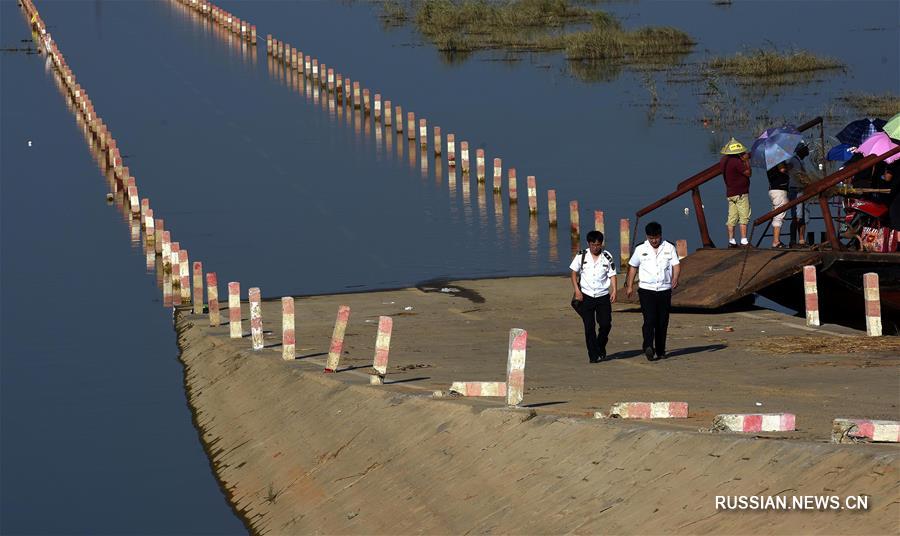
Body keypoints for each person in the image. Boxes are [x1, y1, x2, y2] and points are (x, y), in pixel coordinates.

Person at [625, 222, 680, 361]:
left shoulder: (669, 247)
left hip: (664, 289)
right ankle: (648, 346)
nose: (654, 241)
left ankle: (661, 350)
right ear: (647, 236)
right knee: (649, 319)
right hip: (646, 290)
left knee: (662, 321)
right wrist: (630, 285)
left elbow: (676, 265)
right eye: (651, 238)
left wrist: (675, 278)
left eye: (656, 237)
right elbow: (632, 267)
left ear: (660, 235)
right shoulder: (640, 249)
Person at [570, 230, 617, 363]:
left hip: (603, 296)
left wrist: (614, 291)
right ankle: (593, 355)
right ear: (588, 243)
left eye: (598, 245)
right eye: (593, 244)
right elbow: (573, 273)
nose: (595, 247)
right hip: (586, 296)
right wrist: (577, 291)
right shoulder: (581, 255)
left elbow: (612, 274)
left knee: (606, 324)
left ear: (601, 244)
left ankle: (600, 345)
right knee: (589, 326)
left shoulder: (607, 256)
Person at [720, 137, 752, 247]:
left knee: (731, 217)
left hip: (730, 193)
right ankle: (744, 240)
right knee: (744, 216)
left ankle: (731, 240)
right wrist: (746, 160)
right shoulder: (736, 161)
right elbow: (748, 173)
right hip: (740, 193)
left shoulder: (723, 161)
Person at [786, 143, 810, 246]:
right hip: (795, 190)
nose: (808, 151)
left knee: (803, 216)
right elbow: (796, 174)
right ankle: (792, 240)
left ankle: (801, 239)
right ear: (801, 151)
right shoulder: (794, 161)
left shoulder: (801, 161)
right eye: (805, 149)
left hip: (801, 190)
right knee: (796, 216)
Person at [766, 160, 790, 248]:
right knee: (779, 216)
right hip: (779, 191)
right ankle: (776, 241)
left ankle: (776, 240)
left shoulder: (769, 162)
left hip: (773, 190)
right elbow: (782, 170)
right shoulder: (778, 160)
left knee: (776, 214)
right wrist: (788, 167)